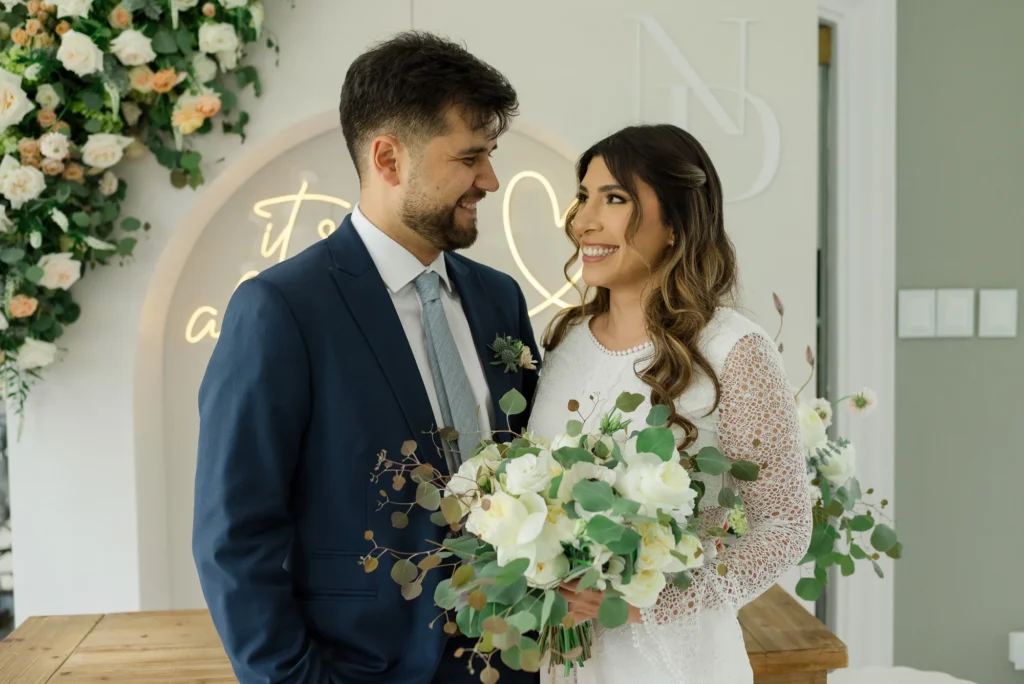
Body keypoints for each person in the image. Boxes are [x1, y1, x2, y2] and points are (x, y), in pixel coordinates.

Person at [192, 31, 541, 684]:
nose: (490, 181)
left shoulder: (500, 299)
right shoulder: (281, 309)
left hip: (513, 662)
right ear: (388, 158)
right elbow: (234, 537)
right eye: (470, 158)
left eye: (490, 156)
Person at [527, 124, 813, 684]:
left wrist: (655, 598)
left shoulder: (733, 350)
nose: (584, 220)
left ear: (677, 224)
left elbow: (785, 525)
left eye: (615, 199)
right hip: (564, 657)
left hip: (671, 660)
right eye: (584, 197)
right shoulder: (563, 341)